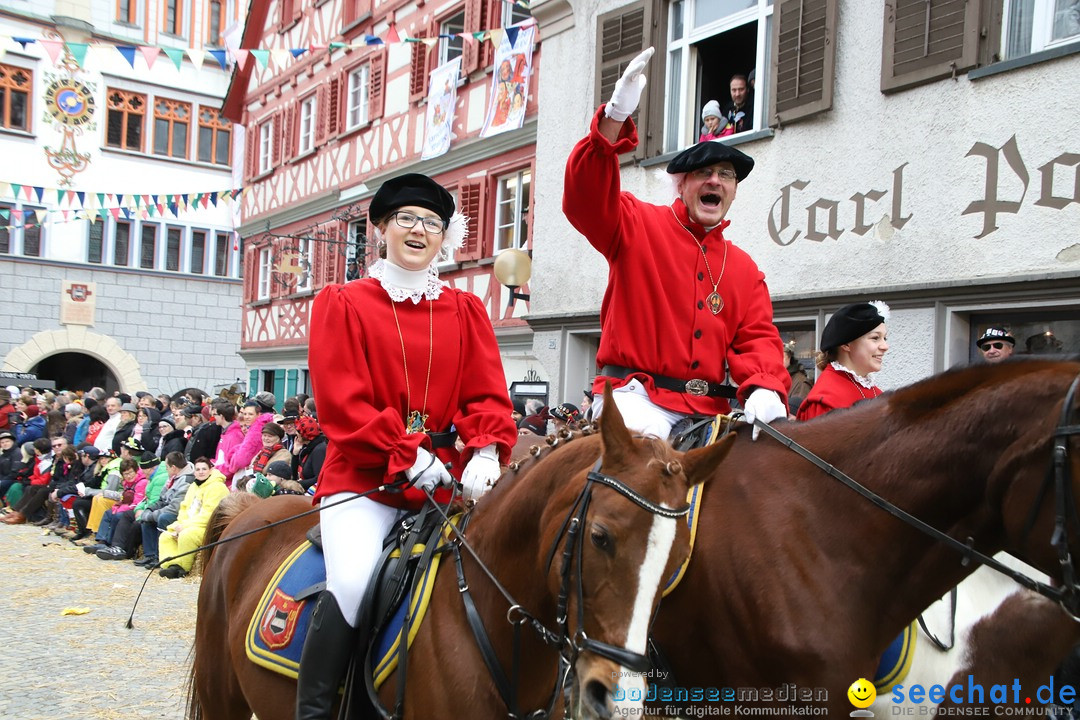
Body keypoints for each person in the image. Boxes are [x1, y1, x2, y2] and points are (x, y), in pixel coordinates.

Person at [298, 172, 518, 720]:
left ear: (445, 236)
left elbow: (486, 392)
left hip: (444, 482)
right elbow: (342, 404)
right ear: (381, 229)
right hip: (365, 480)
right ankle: (318, 712)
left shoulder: (466, 310)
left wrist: (486, 451)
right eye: (408, 219)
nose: (420, 230)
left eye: (433, 223)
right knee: (352, 581)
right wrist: (403, 454)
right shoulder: (342, 302)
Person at [563, 47, 789, 442]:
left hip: (708, 411)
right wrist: (615, 118)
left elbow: (757, 338)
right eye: (703, 172)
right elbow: (583, 199)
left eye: (725, 175)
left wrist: (765, 384)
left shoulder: (745, 270)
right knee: (646, 475)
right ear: (681, 185)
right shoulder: (636, 223)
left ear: (734, 191)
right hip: (635, 401)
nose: (715, 181)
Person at [795, 302, 890, 421]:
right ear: (846, 344)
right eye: (875, 338)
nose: (885, 346)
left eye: (884, 338)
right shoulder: (824, 402)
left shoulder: (876, 393)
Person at [157, 457, 228, 579]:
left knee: (187, 535)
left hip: (207, 527)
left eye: (204, 469)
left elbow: (209, 514)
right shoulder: (194, 486)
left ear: (211, 470)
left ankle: (182, 567)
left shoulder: (217, 487)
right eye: (198, 469)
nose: (201, 472)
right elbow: (184, 508)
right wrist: (179, 524)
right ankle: (170, 565)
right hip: (188, 524)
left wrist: (185, 526)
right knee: (166, 536)